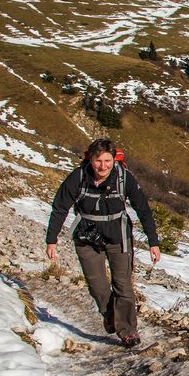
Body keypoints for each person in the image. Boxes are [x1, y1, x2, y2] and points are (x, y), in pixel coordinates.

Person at [45, 139, 160, 347]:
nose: (103, 166)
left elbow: (143, 208)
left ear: (114, 160)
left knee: (123, 285)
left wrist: (153, 242)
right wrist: (51, 239)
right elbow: (60, 207)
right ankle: (110, 315)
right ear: (91, 159)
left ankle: (128, 331)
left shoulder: (124, 178)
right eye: (99, 161)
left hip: (118, 236)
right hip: (86, 237)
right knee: (97, 285)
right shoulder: (78, 177)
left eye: (107, 161)